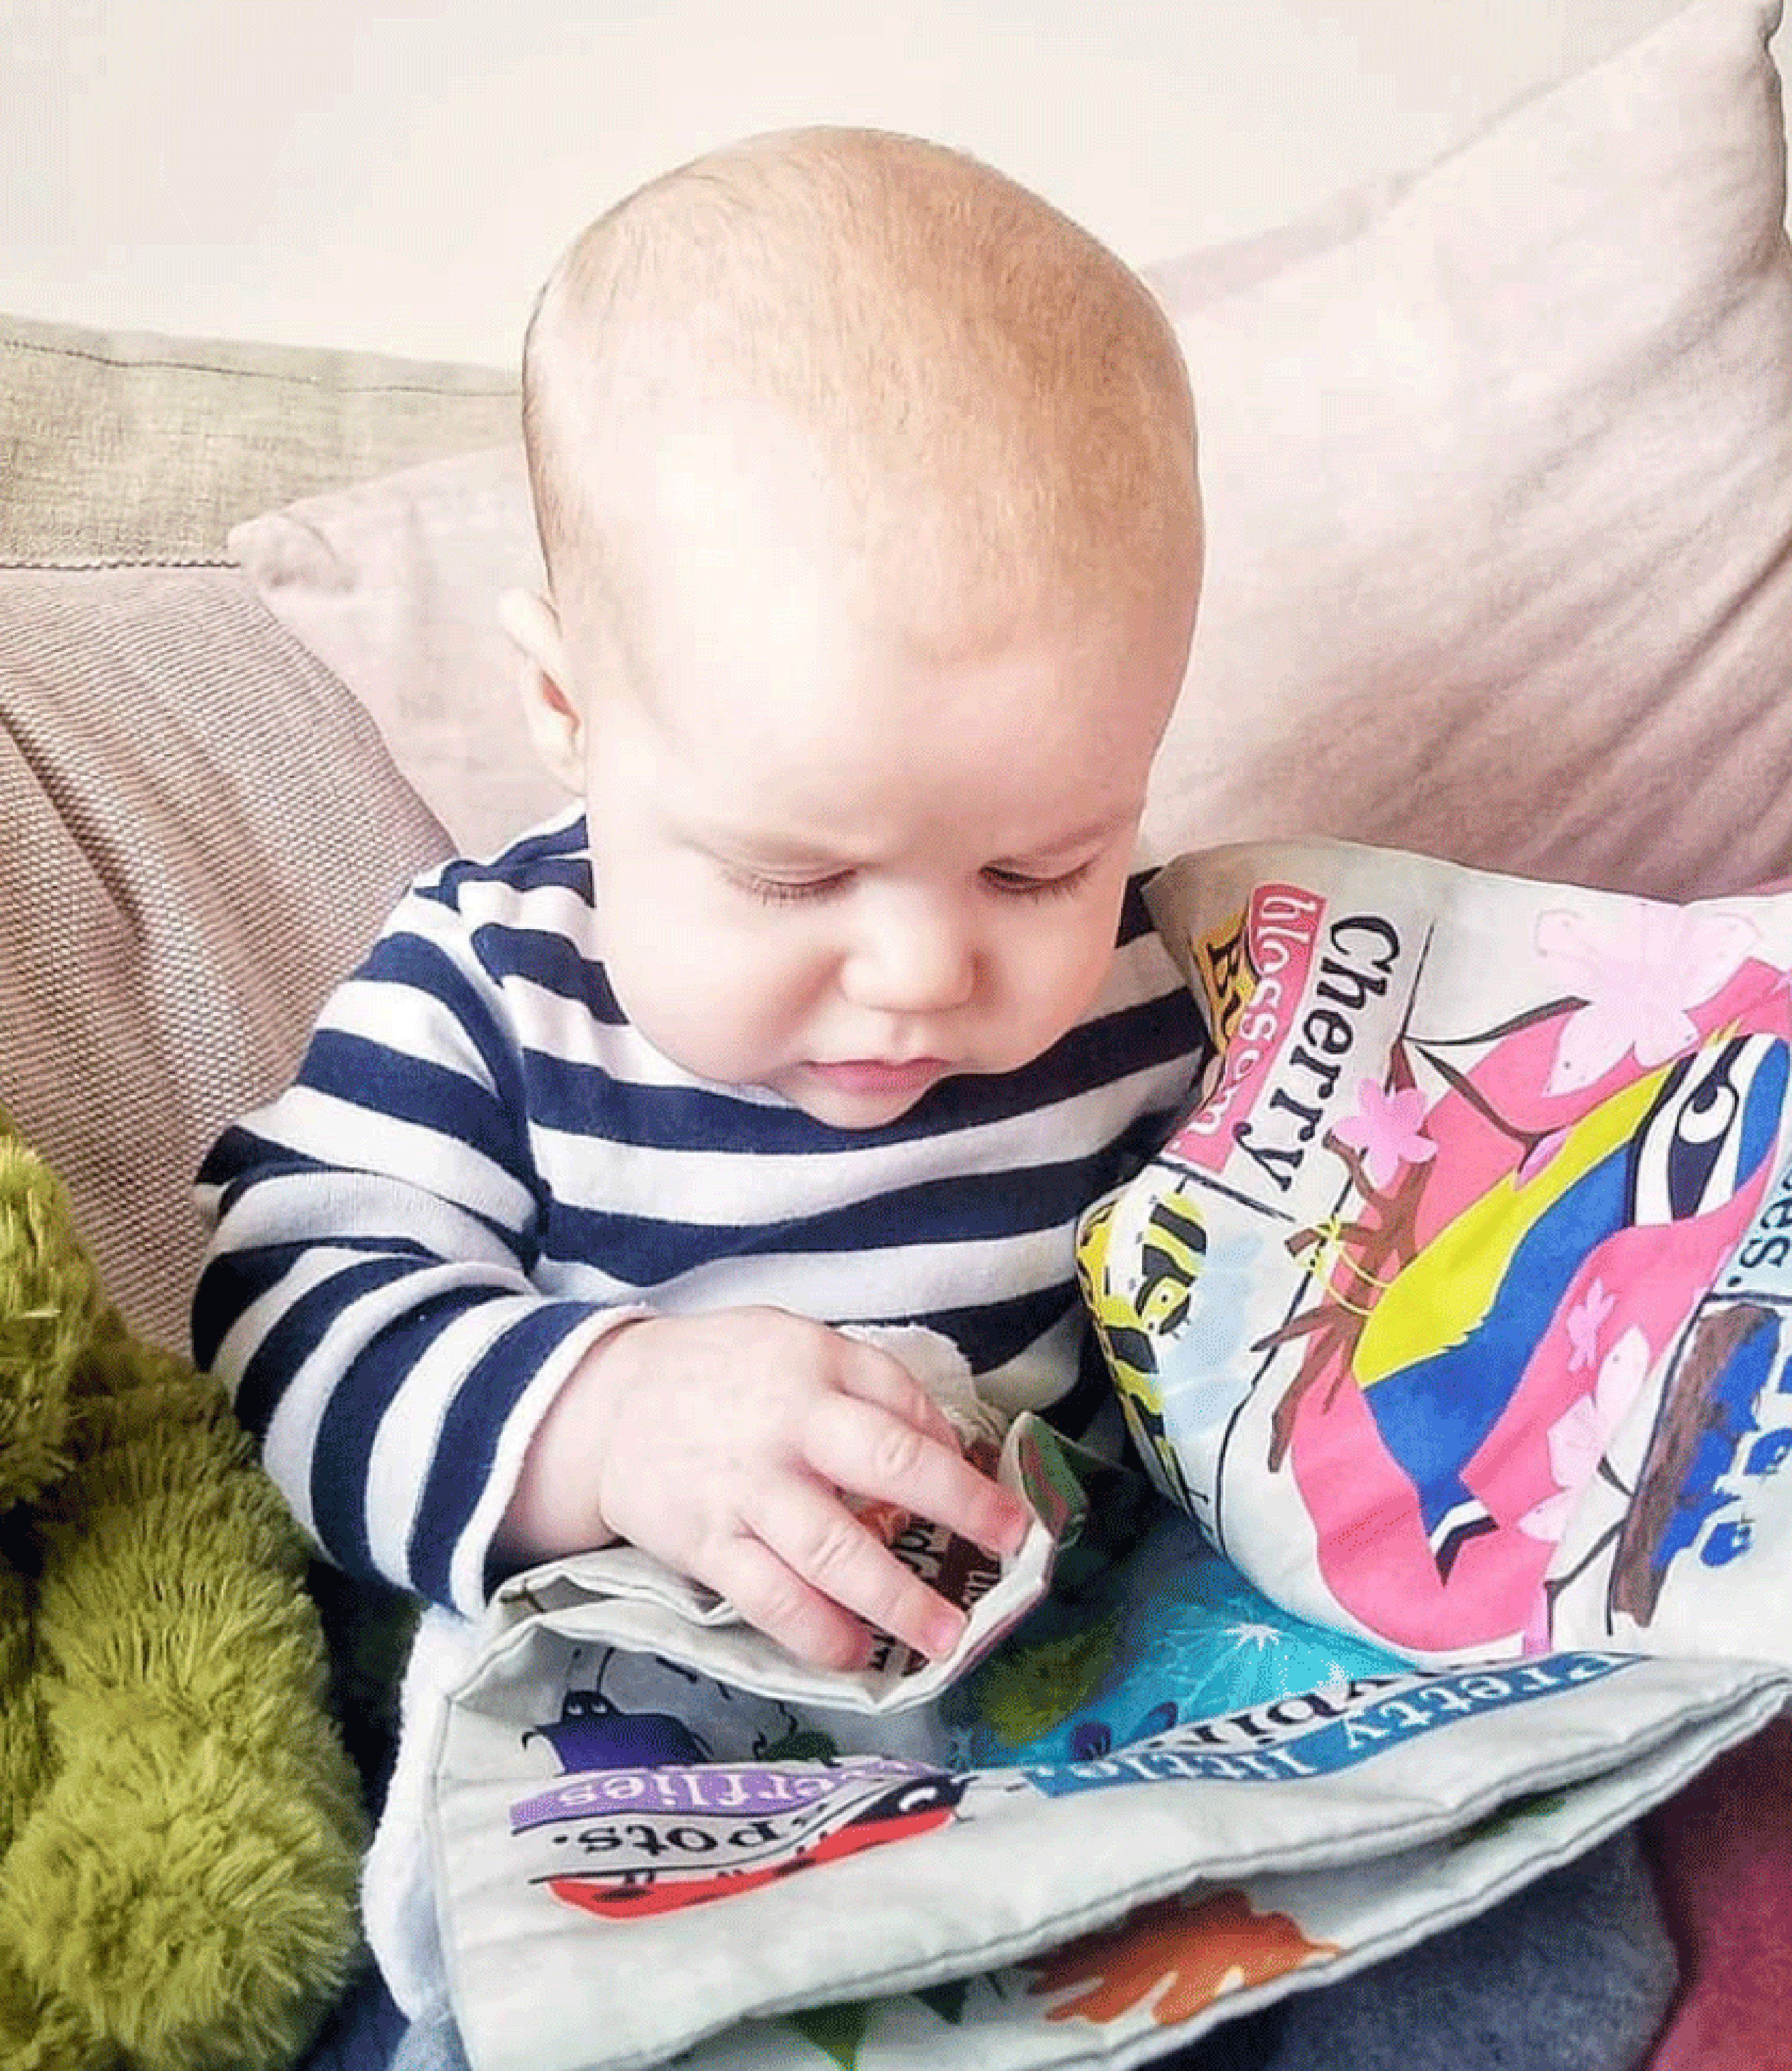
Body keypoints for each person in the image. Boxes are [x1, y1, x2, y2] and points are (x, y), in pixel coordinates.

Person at [193, 124, 1208, 1682]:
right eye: (791, 873)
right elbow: (287, 1325)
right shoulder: (492, 993)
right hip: (647, 1728)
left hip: (1088, 1695)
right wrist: (607, 1423)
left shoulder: (1159, 988)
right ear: (567, 708)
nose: (923, 971)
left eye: (1038, 865)